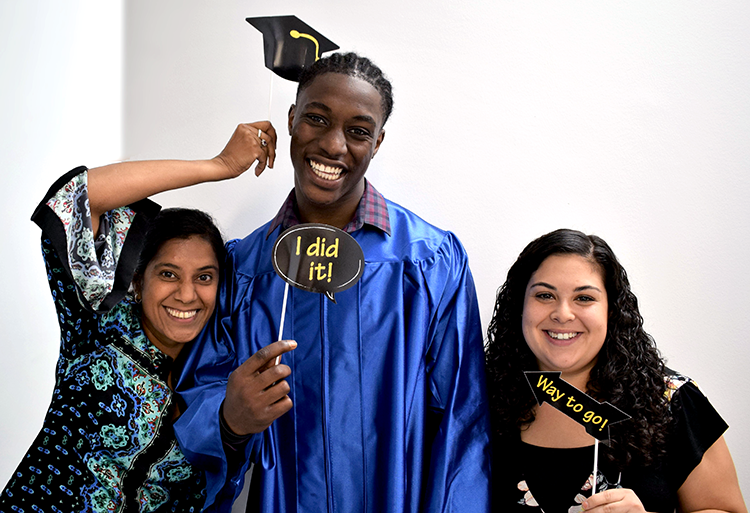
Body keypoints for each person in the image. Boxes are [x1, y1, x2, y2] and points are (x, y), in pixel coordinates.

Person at [174, 52, 492, 512]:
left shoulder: (429, 261)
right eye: (316, 119)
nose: (333, 145)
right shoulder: (244, 267)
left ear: (378, 142)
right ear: (290, 119)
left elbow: (462, 421)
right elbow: (201, 390)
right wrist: (228, 419)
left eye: (358, 131)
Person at [0, 122, 278, 512]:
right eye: (168, 274)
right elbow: (74, 199)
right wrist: (220, 165)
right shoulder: (98, 326)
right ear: (137, 279)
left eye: (204, 277)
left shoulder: (215, 378)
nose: (186, 294)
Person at [485, 228, 747, 513]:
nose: (562, 313)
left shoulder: (671, 401)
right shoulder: (474, 400)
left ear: (612, 310)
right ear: (519, 306)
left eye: (584, 298)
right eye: (545, 295)